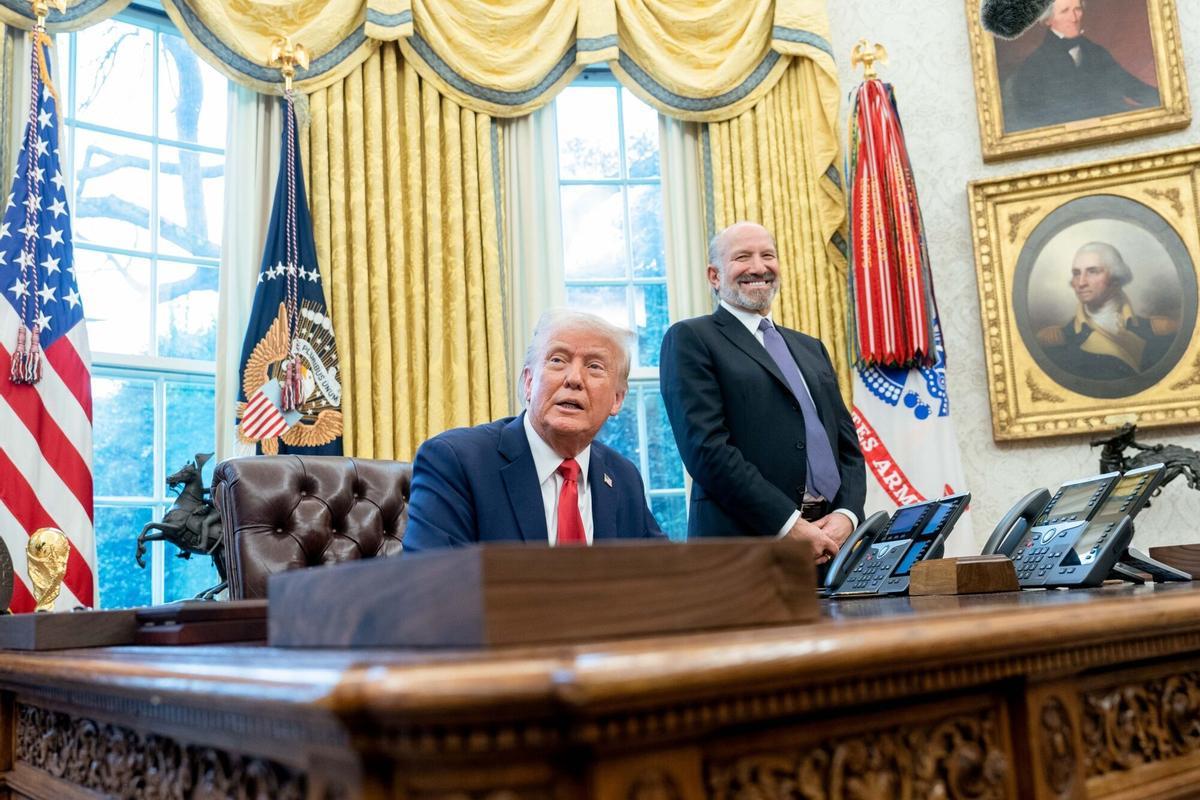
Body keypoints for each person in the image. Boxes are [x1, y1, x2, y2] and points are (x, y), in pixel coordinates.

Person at [659, 222, 865, 564]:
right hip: (743, 554)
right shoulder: (691, 339)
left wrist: (847, 515)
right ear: (714, 276)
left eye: (767, 255)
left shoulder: (811, 347)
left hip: (831, 550)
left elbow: (848, 449)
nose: (759, 267)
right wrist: (789, 525)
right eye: (743, 257)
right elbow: (707, 451)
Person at [403, 309, 663, 551]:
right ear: (529, 383)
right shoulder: (456, 462)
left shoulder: (623, 476)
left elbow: (667, 579)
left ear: (617, 399)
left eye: (594, 366)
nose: (573, 379)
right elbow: (431, 587)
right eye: (558, 360)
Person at [1003, 0, 1160, 131]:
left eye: (1077, 9)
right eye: (1065, 11)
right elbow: (1033, 123)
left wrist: (1167, 102)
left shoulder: (1096, 52)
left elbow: (1131, 85)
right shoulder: (1033, 67)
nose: (1074, 17)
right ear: (1047, 20)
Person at [1037, 241, 1177, 380]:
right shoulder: (1055, 341)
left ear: (1116, 277)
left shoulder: (1161, 330)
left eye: (1092, 271)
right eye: (1076, 273)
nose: (1081, 283)